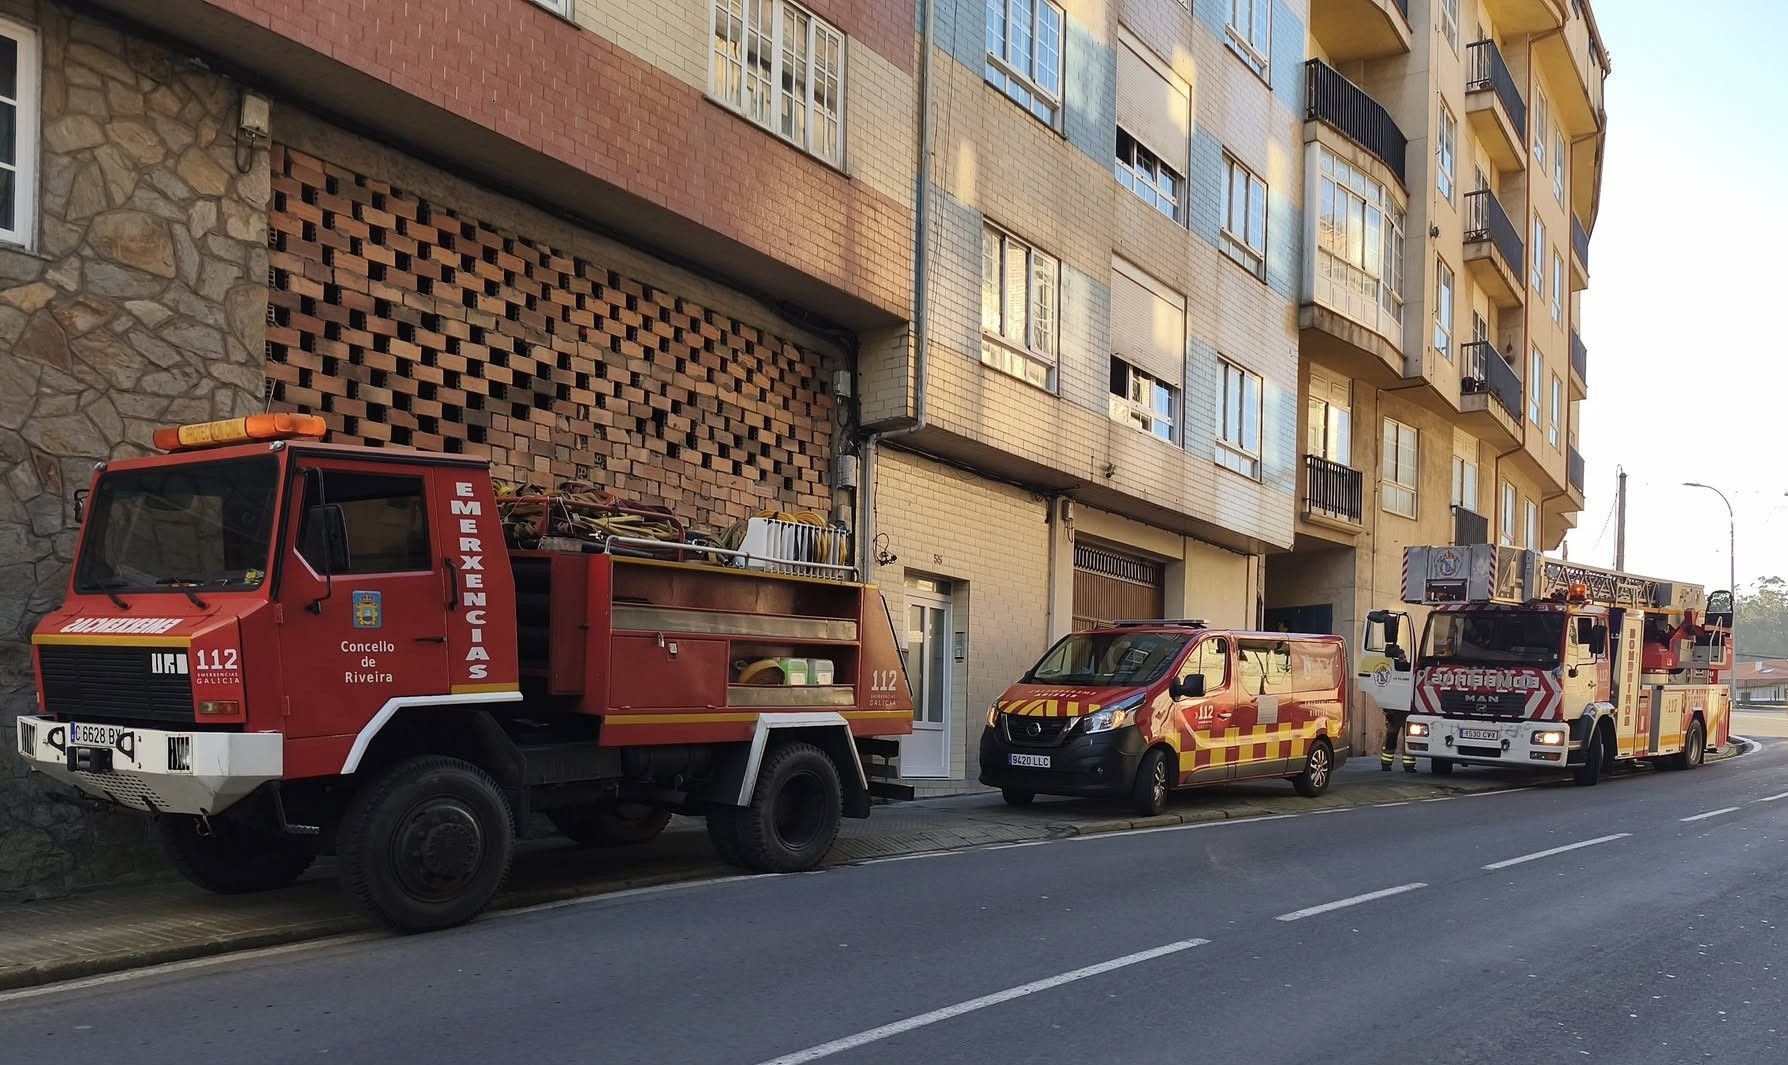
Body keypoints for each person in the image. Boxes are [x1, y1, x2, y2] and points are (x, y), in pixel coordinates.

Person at [1379, 639, 1416, 772]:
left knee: (1409, 738)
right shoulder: (1390, 672)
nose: (1403, 660)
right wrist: (1387, 710)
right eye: (1400, 658)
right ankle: (1386, 763)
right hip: (1395, 712)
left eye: (1404, 657)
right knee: (1391, 737)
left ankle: (1409, 765)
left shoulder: (1409, 669)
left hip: (1406, 711)